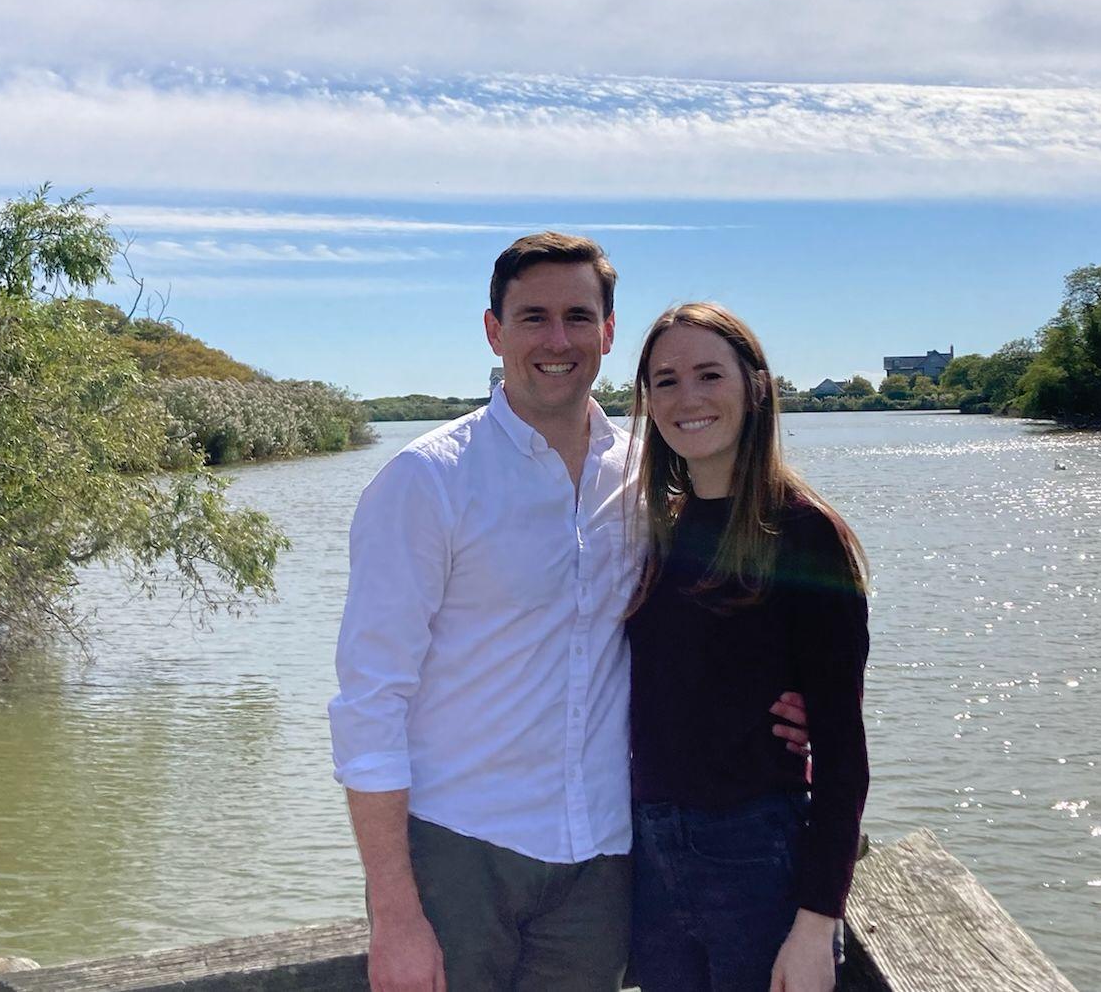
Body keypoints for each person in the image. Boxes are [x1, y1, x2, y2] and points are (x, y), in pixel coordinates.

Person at [329, 235, 809, 992]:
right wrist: (394, 911)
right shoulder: (426, 482)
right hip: (461, 849)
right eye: (534, 318)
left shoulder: (648, 475)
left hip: (603, 860)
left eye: (579, 317)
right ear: (494, 331)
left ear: (608, 333)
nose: (558, 341)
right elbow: (369, 701)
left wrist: (785, 702)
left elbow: (701, 619)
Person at [624, 303, 871, 992]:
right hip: (649, 859)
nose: (688, 398)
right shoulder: (655, 531)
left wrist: (817, 920)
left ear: (756, 386)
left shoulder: (803, 534)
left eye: (710, 374)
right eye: (666, 381)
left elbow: (844, 751)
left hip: (755, 856)